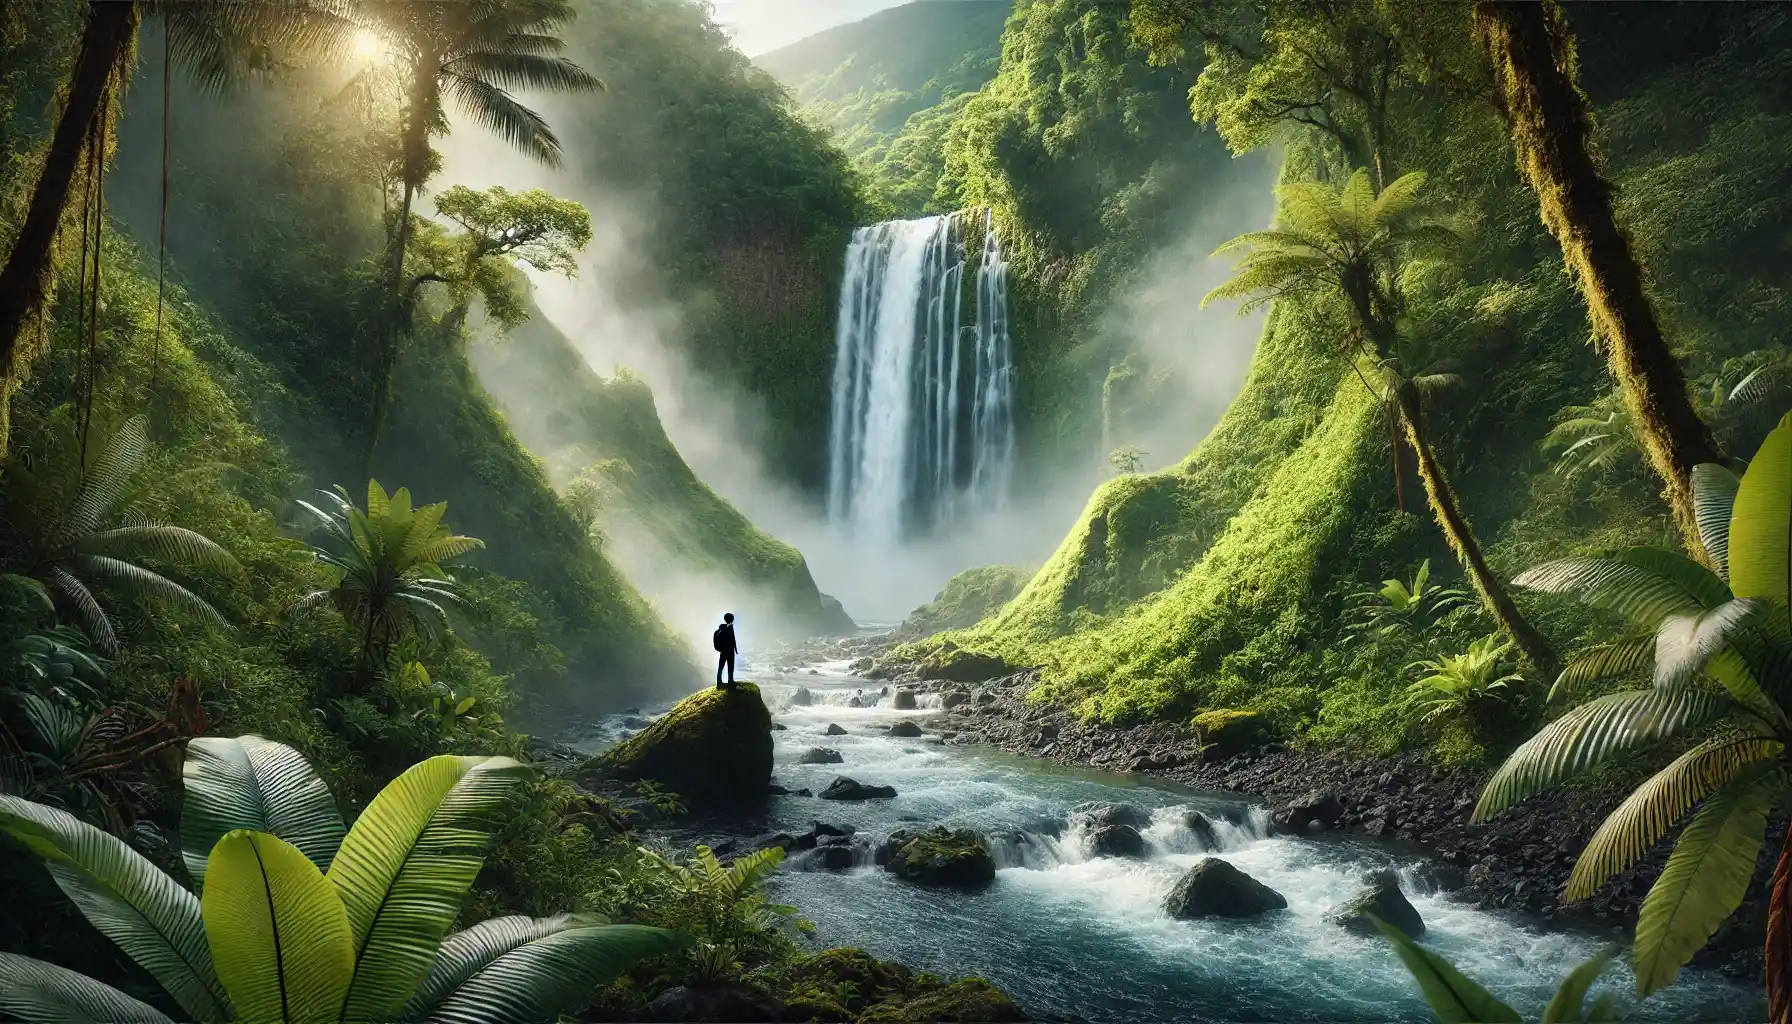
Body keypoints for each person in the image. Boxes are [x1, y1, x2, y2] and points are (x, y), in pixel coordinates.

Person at [712, 612, 738, 690]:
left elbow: (732, 639)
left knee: (721, 666)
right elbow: (731, 639)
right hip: (729, 651)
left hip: (724, 651)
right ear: (731, 619)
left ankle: (720, 682)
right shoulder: (728, 628)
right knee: (729, 666)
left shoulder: (724, 628)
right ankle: (729, 682)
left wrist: (735, 649)